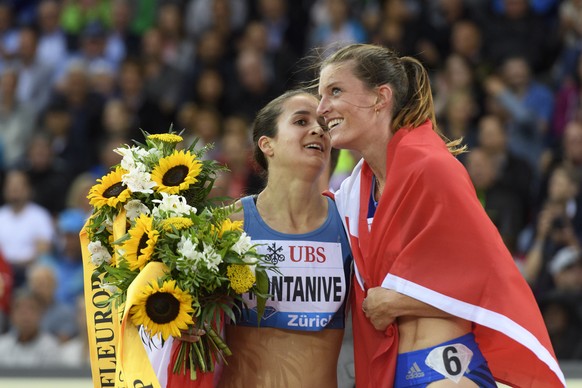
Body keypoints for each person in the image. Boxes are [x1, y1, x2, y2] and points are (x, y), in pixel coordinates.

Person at [316, 43, 565, 387]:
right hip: (392, 370)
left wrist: (397, 300)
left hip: (446, 370)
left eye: (335, 91)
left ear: (380, 97)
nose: (322, 108)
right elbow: (307, 220)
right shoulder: (358, 187)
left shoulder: (432, 166)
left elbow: (488, 278)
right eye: (320, 96)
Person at [146, 89, 353, 388]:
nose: (318, 129)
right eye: (301, 121)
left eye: (322, 123)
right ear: (267, 144)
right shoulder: (228, 224)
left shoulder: (347, 223)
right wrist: (180, 324)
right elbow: (161, 313)